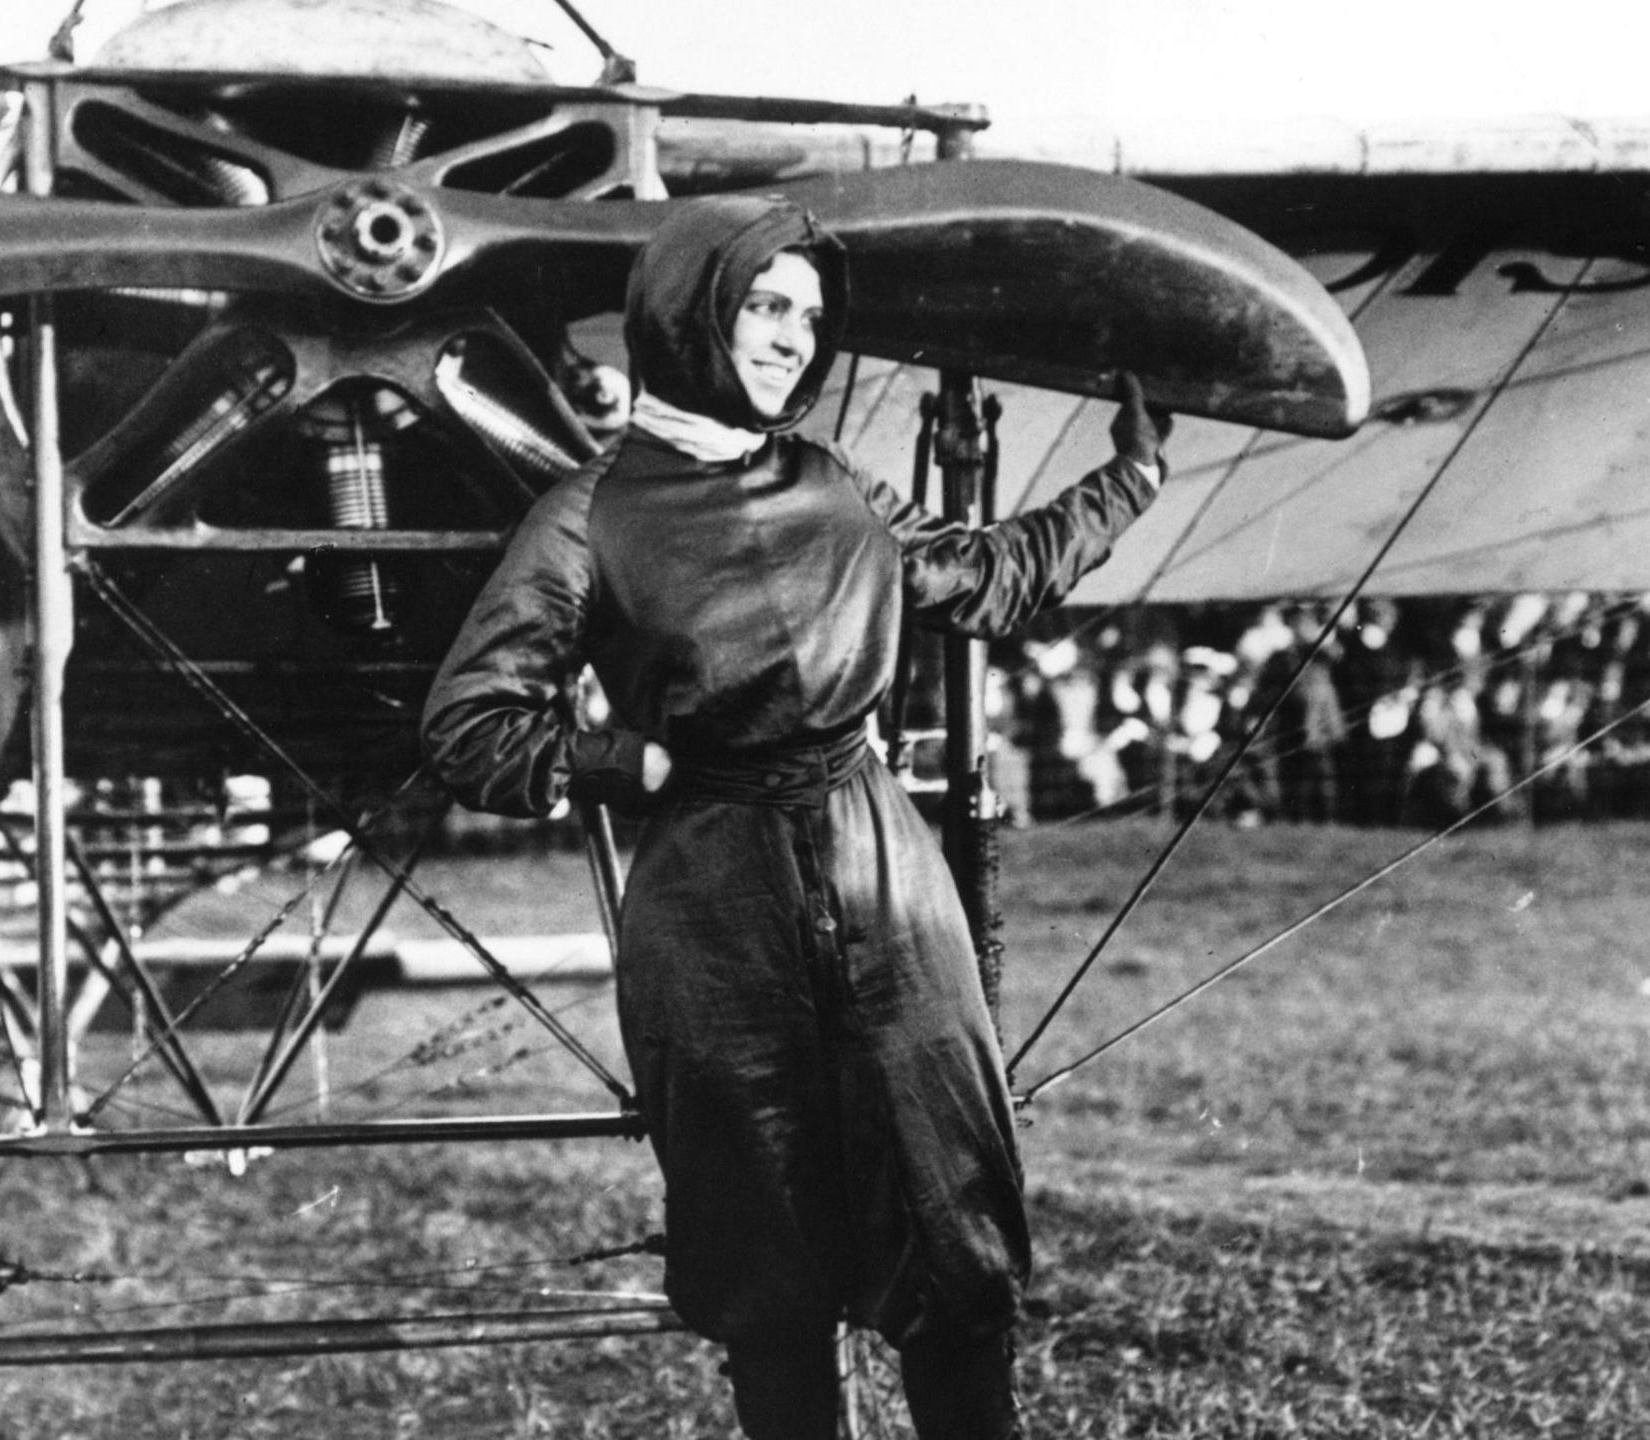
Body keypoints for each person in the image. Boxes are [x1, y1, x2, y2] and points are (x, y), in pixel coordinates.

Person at [422, 195, 1169, 1439]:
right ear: (688, 314)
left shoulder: (835, 487)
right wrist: (621, 763)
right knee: (764, 1267)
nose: (789, 341)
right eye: (763, 307)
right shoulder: (585, 517)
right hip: (713, 903)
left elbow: (992, 576)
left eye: (809, 319)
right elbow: (468, 725)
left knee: (955, 1231)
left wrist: (1128, 479)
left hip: (882, 874)